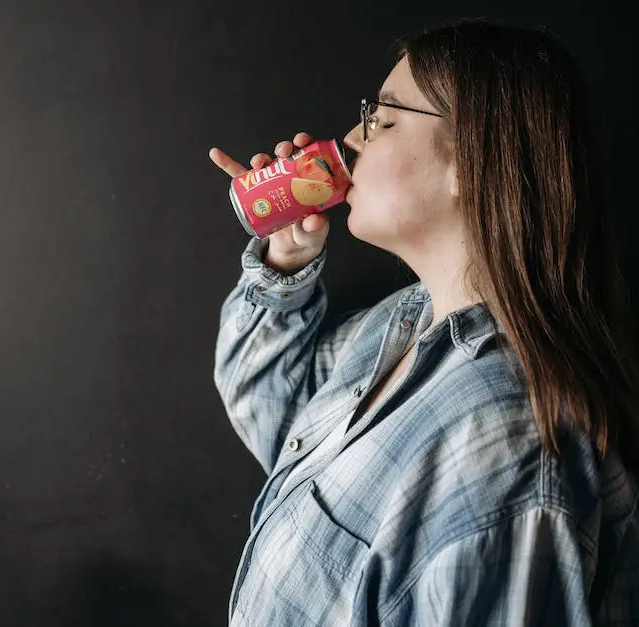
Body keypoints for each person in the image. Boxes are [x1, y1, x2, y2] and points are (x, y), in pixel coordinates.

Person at [208, 20, 639, 626]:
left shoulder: (506, 456)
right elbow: (271, 409)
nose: (348, 140)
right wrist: (286, 259)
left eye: (381, 119)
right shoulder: (401, 324)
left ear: (476, 159)